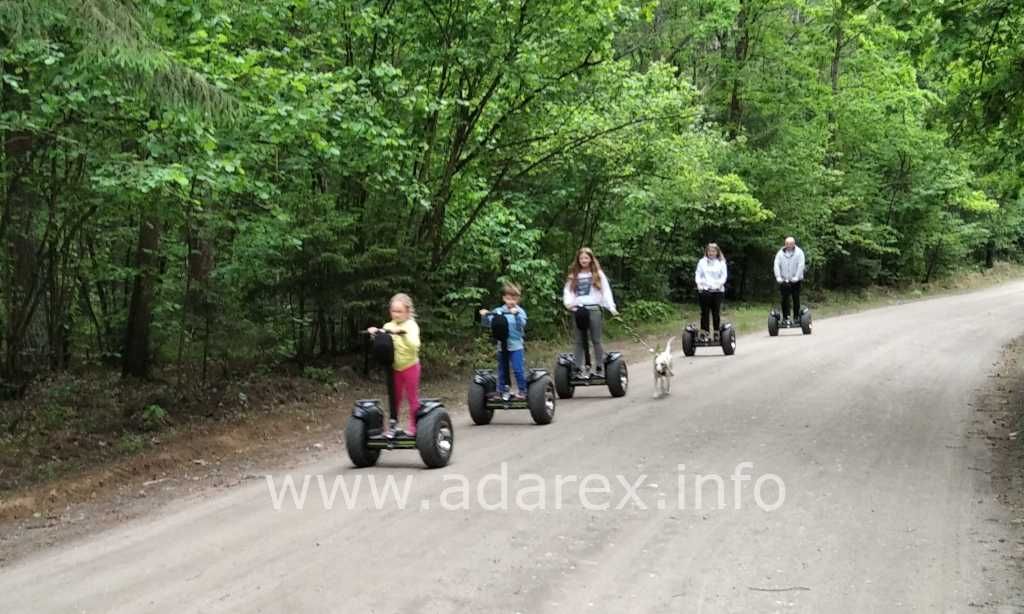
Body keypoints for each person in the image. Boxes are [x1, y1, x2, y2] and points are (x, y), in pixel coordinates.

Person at [367, 293, 421, 437]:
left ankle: (414, 426)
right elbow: (382, 345)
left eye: (399, 311)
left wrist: (402, 335)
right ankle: (393, 426)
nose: (396, 314)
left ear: (407, 312)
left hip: (410, 366)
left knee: (412, 398)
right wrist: (375, 334)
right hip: (394, 368)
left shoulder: (411, 326)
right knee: (394, 398)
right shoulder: (388, 325)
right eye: (393, 311)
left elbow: (415, 346)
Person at [563, 247, 618, 378]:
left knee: (596, 339)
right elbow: (568, 292)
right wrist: (569, 304)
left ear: (591, 259)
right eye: (581, 258)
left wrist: (611, 307)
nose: (584, 260)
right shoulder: (573, 275)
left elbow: (606, 291)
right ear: (578, 260)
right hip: (579, 310)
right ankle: (578, 368)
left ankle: (599, 366)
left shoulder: (598, 274)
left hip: (594, 309)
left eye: (586, 258)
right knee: (579, 340)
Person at [479, 283, 528, 400]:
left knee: (518, 369)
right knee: (502, 370)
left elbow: (521, 325)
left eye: (514, 299)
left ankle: (523, 391)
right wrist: (485, 315)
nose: (511, 301)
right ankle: (501, 391)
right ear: (504, 298)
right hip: (502, 346)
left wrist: (516, 315)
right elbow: (488, 324)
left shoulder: (520, 312)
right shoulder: (498, 311)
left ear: (518, 299)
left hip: (516, 346)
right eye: (508, 298)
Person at [695, 243, 727, 341]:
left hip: (717, 290)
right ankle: (705, 333)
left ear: (717, 252)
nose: (711, 253)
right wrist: (699, 284)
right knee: (704, 312)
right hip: (705, 290)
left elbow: (724, 276)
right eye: (709, 251)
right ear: (706, 252)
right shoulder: (702, 262)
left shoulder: (721, 262)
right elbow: (698, 274)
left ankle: (717, 332)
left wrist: (718, 285)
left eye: (713, 251)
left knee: (715, 312)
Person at [773, 236, 806, 325]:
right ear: (785, 244)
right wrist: (778, 277)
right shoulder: (780, 253)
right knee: (784, 299)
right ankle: (786, 317)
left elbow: (801, 265)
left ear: (794, 244)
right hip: (784, 280)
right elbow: (776, 264)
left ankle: (796, 317)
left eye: (790, 244)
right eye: (787, 244)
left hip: (795, 280)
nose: (789, 245)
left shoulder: (799, 253)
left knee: (796, 298)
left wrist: (797, 277)